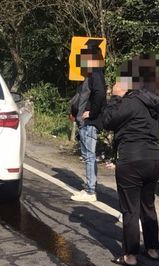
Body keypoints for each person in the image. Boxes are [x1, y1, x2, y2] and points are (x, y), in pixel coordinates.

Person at [97, 81, 159, 266]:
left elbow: (108, 121)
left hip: (132, 159)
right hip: (154, 158)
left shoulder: (130, 102)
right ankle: (152, 249)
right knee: (148, 205)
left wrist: (115, 97)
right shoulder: (153, 104)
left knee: (130, 209)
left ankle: (130, 255)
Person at [70, 39, 106, 202]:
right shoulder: (91, 73)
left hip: (90, 123)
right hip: (86, 122)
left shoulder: (95, 73)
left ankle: (90, 191)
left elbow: (100, 94)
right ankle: (89, 188)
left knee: (89, 156)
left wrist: (91, 114)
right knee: (87, 156)